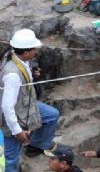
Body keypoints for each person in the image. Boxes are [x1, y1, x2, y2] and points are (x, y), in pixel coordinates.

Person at [0, 29, 60, 172]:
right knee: (11, 157)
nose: (36, 52)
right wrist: (17, 131)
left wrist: (32, 74)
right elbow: (7, 108)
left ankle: (35, 145)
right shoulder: (13, 75)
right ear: (26, 52)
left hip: (25, 104)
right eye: (34, 49)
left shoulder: (15, 56)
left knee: (51, 115)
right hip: (15, 115)